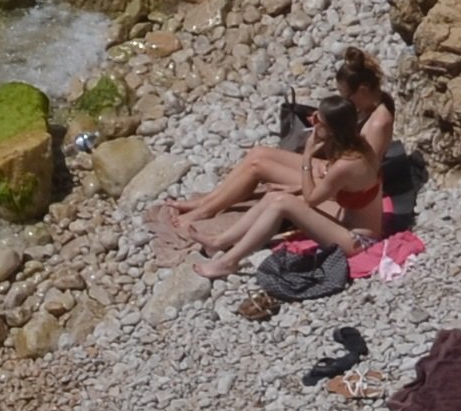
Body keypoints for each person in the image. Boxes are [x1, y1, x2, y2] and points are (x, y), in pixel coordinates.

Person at [148, 50, 395, 249]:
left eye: (346, 95)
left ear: (362, 90)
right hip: (332, 169)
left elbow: (356, 178)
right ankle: (207, 201)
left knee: (259, 167)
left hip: (335, 180)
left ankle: (205, 211)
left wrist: (297, 184)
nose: (344, 101)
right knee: (257, 153)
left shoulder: (377, 122)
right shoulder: (367, 106)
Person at [174, 101, 385, 279]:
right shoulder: (358, 148)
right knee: (275, 195)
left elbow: (312, 199)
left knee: (282, 203)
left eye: (317, 120)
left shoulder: (346, 164)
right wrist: (294, 186)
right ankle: (219, 241)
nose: (312, 121)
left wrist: (307, 155)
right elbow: (332, 188)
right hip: (348, 218)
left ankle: (228, 262)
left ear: (331, 129)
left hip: (359, 241)